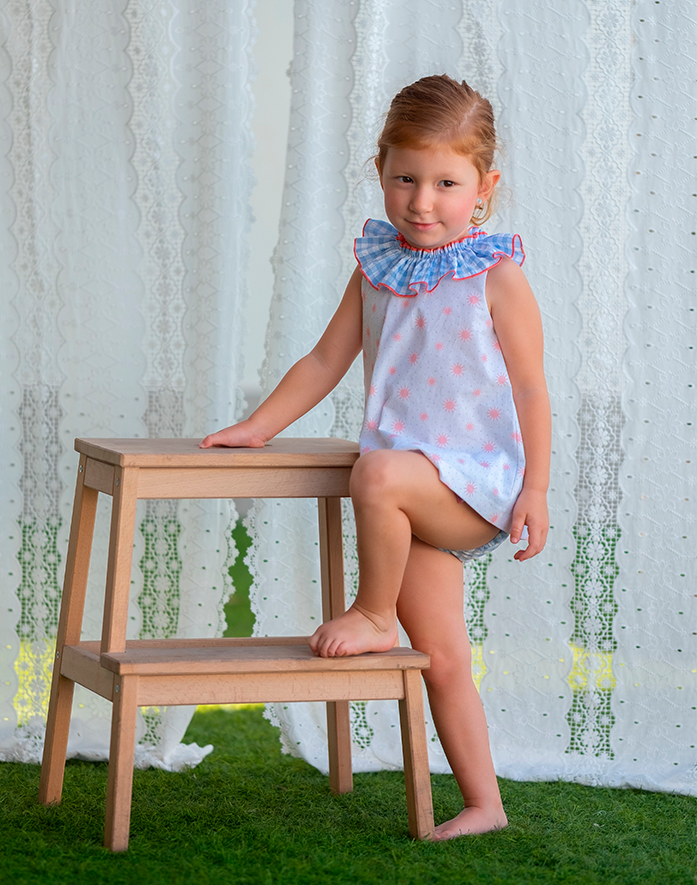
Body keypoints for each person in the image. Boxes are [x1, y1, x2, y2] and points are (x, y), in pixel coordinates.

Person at [201, 74, 551, 839]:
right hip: (407, 498)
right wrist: (258, 425)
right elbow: (326, 360)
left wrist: (537, 489)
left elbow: (531, 387)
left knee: (378, 469)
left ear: (485, 189)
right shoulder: (378, 267)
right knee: (444, 657)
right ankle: (485, 804)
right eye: (405, 178)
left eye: (446, 183)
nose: (422, 201)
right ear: (380, 170)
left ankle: (372, 611)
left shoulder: (496, 275)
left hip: (472, 485)